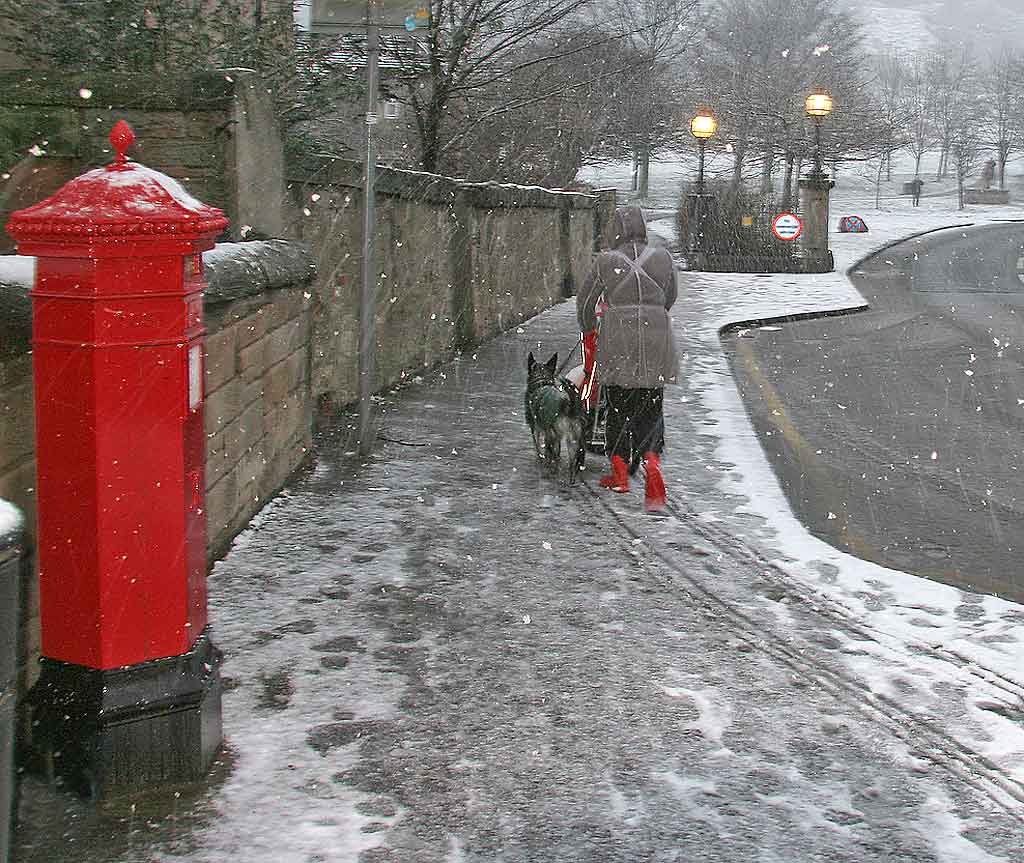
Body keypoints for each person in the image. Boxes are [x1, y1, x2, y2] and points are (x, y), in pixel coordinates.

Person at [577, 206, 679, 512]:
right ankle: (652, 462)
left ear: (615, 231)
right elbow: (670, 296)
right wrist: (651, 316)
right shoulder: (662, 258)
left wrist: (590, 328)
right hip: (656, 334)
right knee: (651, 402)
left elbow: (585, 303)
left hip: (618, 333)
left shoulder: (605, 261)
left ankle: (620, 474)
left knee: (617, 402)